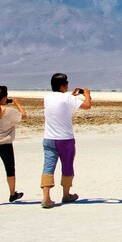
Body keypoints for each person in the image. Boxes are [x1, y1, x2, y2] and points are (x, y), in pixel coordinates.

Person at [40, 73, 92, 209]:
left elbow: (62, 104)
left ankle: (46, 197)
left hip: (49, 138)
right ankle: (66, 194)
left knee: (48, 166)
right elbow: (87, 106)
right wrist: (87, 94)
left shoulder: (47, 98)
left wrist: (72, 97)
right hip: (65, 139)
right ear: (63, 85)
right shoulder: (67, 98)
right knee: (67, 166)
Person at [0, 85, 28, 206]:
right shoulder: (9, 112)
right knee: (10, 170)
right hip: (5, 145)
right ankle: (12, 194)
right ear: (4, 98)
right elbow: (24, 116)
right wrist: (17, 103)